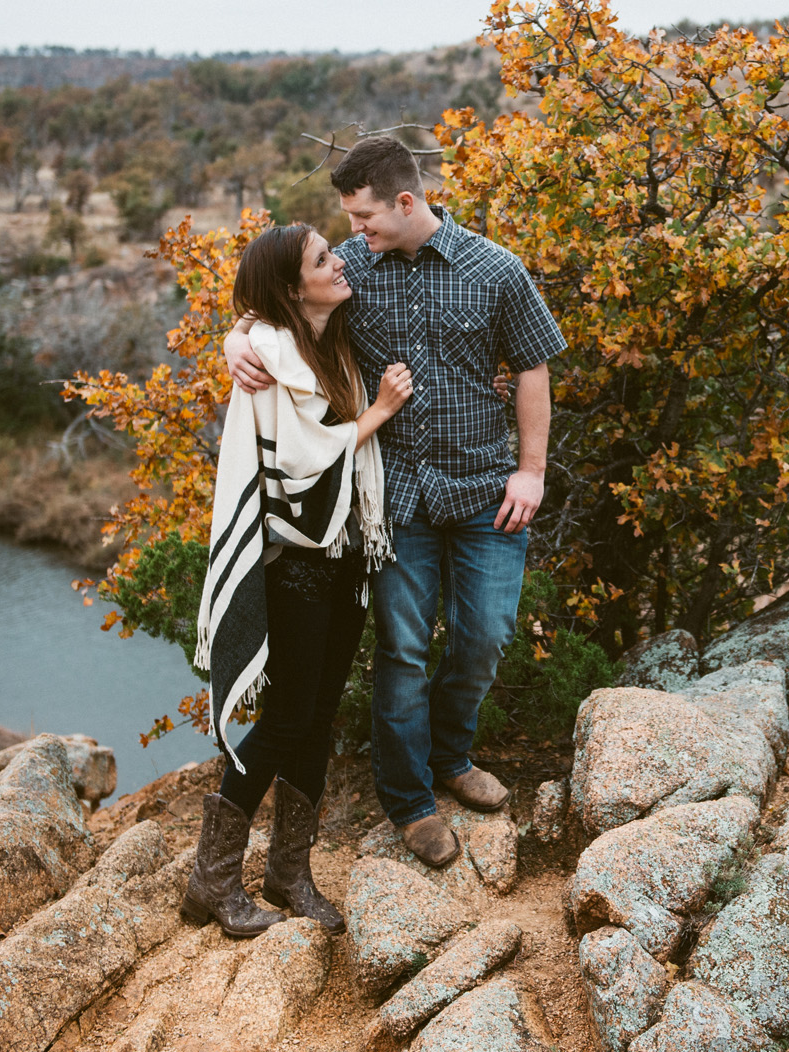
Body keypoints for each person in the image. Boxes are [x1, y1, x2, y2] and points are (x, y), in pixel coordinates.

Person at [226, 135, 565, 869]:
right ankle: (409, 801)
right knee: (403, 651)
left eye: (363, 216)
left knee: (483, 638)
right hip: (396, 501)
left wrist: (531, 471)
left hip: (485, 489)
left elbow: (533, 365)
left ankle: (452, 756)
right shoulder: (355, 276)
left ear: (406, 202)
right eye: (349, 220)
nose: (353, 232)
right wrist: (237, 337)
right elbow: (284, 308)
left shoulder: (496, 270)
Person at [186, 222, 414, 937]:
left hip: (345, 553)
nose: (338, 261)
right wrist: (378, 411)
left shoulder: (322, 334)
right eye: (322, 258)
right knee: (287, 717)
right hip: (294, 564)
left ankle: (289, 873)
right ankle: (211, 881)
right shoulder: (272, 351)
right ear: (292, 288)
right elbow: (297, 460)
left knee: (316, 717)